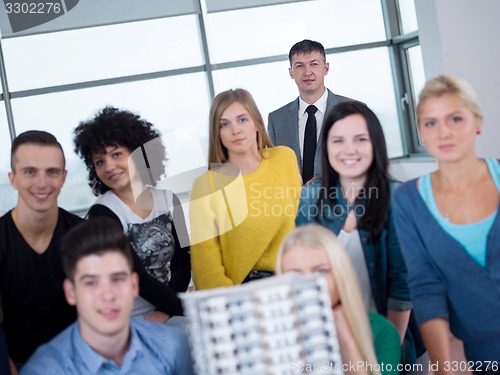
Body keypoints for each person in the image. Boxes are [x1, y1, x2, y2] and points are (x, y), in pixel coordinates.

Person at [295, 100, 423, 365]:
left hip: (387, 337)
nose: (349, 150)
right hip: (329, 345)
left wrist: (386, 354)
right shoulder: (310, 196)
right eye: (338, 140)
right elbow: (302, 280)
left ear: (375, 143)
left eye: (360, 139)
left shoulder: (397, 197)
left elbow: (402, 288)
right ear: (326, 147)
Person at [392, 75, 500, 373]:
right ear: (421, 134)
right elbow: (426, 286)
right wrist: (442, 367)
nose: (443, 133)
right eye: (430, 123)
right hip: (485, 356)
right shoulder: (408, 200)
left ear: (477, 122)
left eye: (455, 119)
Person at [21, 217, 194, 375]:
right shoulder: (44, 370)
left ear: (134, 285)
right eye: (91, 283)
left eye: (117, 279)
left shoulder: (175, 346)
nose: (107, 295)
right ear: (71, 292)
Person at [73, 107, 190, 321]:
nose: (109, 166)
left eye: (116, 154)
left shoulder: (168, 200)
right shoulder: (103, 214)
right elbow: (137, 277)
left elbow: (183, 263)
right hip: (130, 320)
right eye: (100, 161)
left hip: (169, 311)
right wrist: (184, 309)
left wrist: (168, 311)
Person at [190, 88, 301, 290]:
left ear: (257, 123)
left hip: (292, 281)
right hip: (240, 292)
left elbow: (300, 223)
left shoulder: (285, 158)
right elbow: (204, 266)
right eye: (224, 124)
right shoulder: (204, 185)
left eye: (242, 120)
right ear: (217, 133)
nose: (236, 130)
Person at [0, 131, 80, 368]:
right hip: (17, 363)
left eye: (52, 172)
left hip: (79, 360)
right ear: (12, 178)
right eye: (30, 172)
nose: (42, 183)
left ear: (64, 177)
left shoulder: (84, 236)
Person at [277, 224, 401, 374]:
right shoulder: (271, 333)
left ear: (340, 273)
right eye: (295, 276)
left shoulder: (382, 331)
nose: (309, 284)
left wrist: (346, 341)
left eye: (321, 271)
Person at [268, 39, 352, 183]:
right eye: (299, 66)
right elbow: (275, 170)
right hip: (294, 202)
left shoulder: (353, 110)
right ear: (291, 72)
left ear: (326, 68)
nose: (307, 72)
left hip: (343, 199)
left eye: (314, 64)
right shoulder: (276, 119)